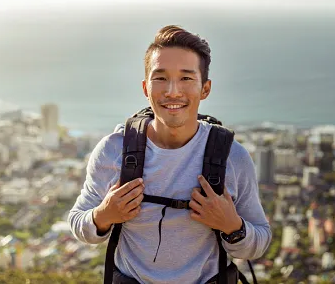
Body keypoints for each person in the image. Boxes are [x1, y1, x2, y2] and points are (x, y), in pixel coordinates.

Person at [68, 25, 272, 283]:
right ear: (145, 87)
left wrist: (232, 226)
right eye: (160, 78)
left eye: (186, 78)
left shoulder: (232, 157)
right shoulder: (114, 150)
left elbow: (260, 241)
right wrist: (104, 215)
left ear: (205, 89)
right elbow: (78, 222)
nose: (172, 91)